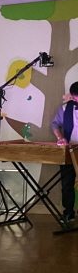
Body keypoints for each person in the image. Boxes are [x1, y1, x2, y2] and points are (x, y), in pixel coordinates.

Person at [51, 81, 78, 221]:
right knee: (67, 182)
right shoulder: (65, 108)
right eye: (76, 99)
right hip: (70, 149)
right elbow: (55, 124)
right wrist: (60, 137)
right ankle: (68, 212)